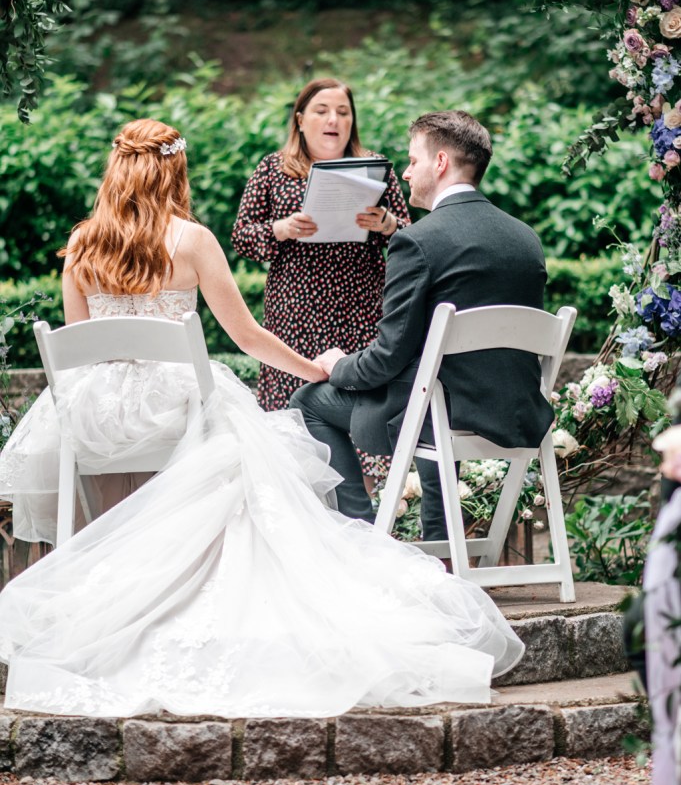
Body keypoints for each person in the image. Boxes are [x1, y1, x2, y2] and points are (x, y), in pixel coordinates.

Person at [0, 118, 524, 719]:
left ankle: (114, 588)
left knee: (208, 443)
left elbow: (81, 346)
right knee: (245, 444)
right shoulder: (191, 240)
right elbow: (247, 337)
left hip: (93, 421)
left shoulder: (82, 246)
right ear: (174, 171)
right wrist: (315, 370)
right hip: (173, 415)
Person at [292, 110, 555, 536]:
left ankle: (358, 535)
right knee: (431, 385)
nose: (407, 172)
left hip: (441, 411)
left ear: (441, 162)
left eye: (413, 161)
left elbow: (387, 357)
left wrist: (338, 365)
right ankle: (441, 542)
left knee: (310, 402)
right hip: (516, 411)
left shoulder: (417, 240)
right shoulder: (525, 238)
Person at [232, 78, 410, 492]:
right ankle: (297, 503)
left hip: (361, 310)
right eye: (322, 110)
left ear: (353, 122)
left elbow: (411, 239)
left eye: (343, 112)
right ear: (300, 119)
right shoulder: (273, 168)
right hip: (296, 313)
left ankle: (363, 510)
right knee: (294, 417)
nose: (334, 120)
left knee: (360, 410)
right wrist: (280, 229)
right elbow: (241, 237)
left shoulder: (375, 166)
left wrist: (386, 224)